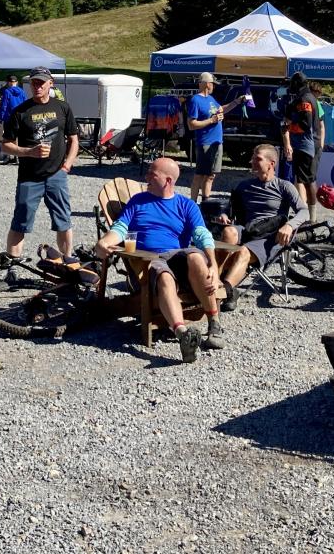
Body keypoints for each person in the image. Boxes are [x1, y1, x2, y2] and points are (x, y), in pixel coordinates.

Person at [94, 157, 223, 361]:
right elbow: (120, 229)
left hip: (180, 256)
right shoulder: (138, 202)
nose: (146, 177)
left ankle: (214, 323)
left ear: (168, 180)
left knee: (197, 258)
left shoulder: (186, 205)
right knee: (164, 276)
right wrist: (104, 242)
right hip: (150, 259)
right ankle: (182, 334)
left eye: (152, 174)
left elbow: (202, 235)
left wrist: (213, 265)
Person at [211, 144, 309, 308]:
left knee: (243, 251)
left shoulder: (284, 186)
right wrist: (225, 216)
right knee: (228, 232)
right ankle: (216, 279)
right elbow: (230, 209)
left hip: (270, 236)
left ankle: (225, 291)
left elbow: (304, 211)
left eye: (258, 159)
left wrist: (289, 226)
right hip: (248, 229)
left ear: (272, 163)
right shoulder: (244, 186)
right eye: (253, 158)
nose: (252, 162)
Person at [0, 67, 78, 264]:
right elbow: (6, 145)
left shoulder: (63, 108)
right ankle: (13, 266)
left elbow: (73, 139)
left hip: (56, 175)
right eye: (34, 82)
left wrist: (67, 165)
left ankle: (68, 262)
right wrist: (28, 152)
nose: (37, 86)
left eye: (41, 82)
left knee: (63, 221)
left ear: (51, 83)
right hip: (29, 177)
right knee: (20, 223)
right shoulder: (21, 111)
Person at [185, 72, 245, 203]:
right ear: (207, 84)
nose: (214, 86)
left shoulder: (211, 99)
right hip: (205, 143)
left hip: (217, 142)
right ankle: (192, 204)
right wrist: (212, 120)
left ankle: (206, 203)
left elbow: (221, 109)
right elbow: (191, 124)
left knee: (211, 175)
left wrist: (237, 101)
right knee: (200, 175)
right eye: (213, 84)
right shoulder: (196, 100)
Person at [281, 71, 324, 206]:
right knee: (306, 179)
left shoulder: (304, 99)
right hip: (312, 143)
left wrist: (289, 128)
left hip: (306, 144)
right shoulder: (310, 97)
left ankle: (310, 215)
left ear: (297, 84)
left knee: (306, 180)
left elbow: (305, 124)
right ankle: (309, 214)